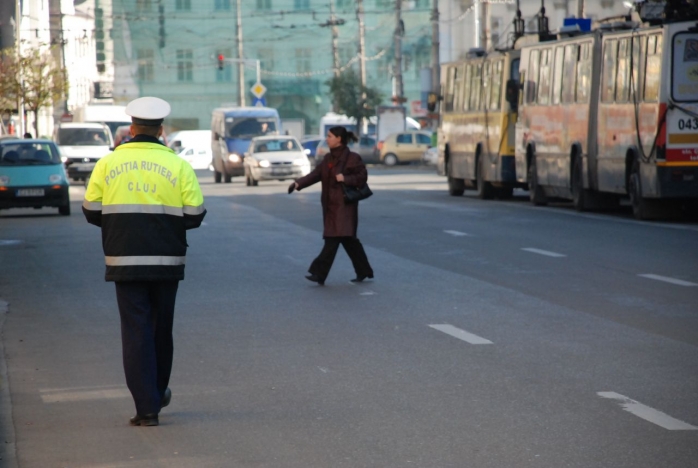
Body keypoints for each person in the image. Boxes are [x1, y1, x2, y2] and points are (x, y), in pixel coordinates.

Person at [82, 97, 206, 427]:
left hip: (124, 259)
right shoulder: (178, 165)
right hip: (167, 261)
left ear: (132, 129)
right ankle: (158, 389)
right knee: (160, 329)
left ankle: (146, 406)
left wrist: (120, 226)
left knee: (136, 331)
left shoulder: (107, 164)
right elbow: (194, 215)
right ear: (161, 130)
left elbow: (91, 210)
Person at [289, 126, 374, 285]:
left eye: (329, 136)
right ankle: (364, 270)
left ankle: (319, 273)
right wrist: (297, 184)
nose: (327, 139)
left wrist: (345, 178)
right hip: (331, 207)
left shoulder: (352, 158)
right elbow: (315, 175)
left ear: (338, 139)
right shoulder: (328, 158)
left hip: (345, 207)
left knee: (332, 240)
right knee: (349, 241)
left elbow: (362, 177)